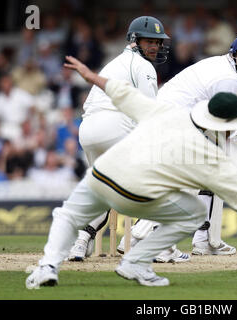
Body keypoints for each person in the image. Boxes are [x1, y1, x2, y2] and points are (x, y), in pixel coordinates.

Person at [25, 56, 237, 289]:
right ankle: (135, 261)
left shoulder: (166, 110)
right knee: (193, 211)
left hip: (101, 176)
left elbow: (123, 94)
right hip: (137, 194)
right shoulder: (212, 159)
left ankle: (47, 267)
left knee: (66, 215)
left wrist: (91, 75)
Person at [117, 34, 237, 258]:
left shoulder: (218, 65)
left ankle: (204, 240)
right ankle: (142, 237)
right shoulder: (228, 78)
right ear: (234, 54)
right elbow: (220, 117)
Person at [67, 16, 176, 262]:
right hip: (115, 127)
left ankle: (80, 242)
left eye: (158, 43)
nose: (155, 47)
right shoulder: (144, 66)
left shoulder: (113, 63)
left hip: (88, 130)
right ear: (134, 40)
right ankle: (147, 241)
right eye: (150, 42)